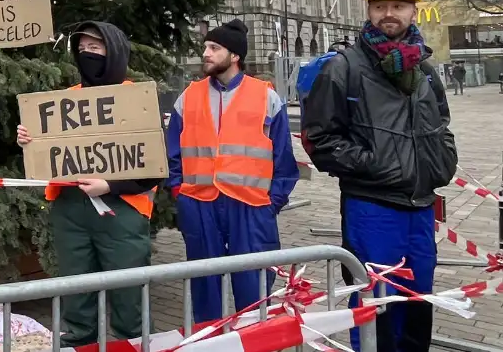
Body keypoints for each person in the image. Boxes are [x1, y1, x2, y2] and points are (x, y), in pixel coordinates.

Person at [301, 0, 457, 352]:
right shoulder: (344, 68)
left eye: (399, 5)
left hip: (420, 208)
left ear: (414, 12)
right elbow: (319, 141)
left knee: (418, 301)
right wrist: (376, 164)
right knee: (377, 307)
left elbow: (442, 125)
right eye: (380, 5)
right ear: (368, 10)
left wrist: (443, 161)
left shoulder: (424, 70)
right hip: (371, 209)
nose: (389, 13)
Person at [15, 22, 161, 343]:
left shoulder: (135, 100)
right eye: (82, 49)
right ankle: (79, 345)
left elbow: (153, 167)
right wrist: (30, 140)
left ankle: (133, 347)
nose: (87, 55)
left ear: (114, 52)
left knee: (128, 300)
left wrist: (110, 185)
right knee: (75, 296)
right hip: (70, 212)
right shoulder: (65, 101)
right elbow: (48, 153)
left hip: (122, 212)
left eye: (95, 48)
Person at [164, 18, 299, 322]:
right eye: (205, 47)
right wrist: (179, 191)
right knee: (204, 287)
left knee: (254, 290)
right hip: (199, 203)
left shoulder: (266, 97)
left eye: (214, 47)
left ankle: (254, 341)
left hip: (251, 207)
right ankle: (209, 340)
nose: (206, 54)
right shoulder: (188, 97)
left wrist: (272, 202)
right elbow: (173, 151)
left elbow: (284, 159)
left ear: (235, 56)